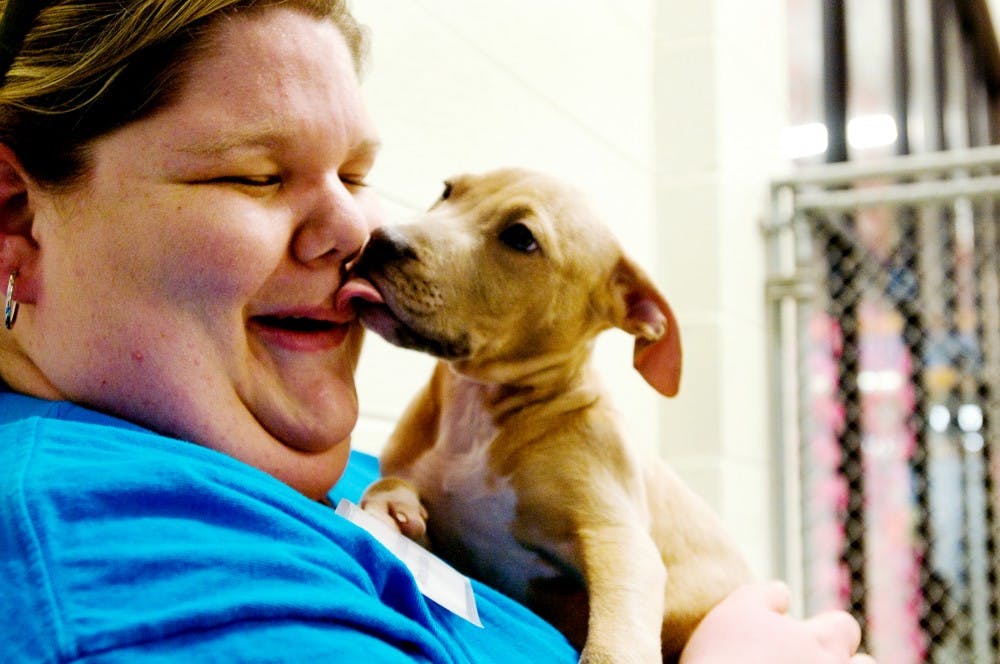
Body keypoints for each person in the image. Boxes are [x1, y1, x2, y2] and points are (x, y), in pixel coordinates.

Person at [0, 1, 875, 662]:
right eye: (256, 176)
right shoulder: (114, 561)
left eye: (355, 172)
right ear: (16, 220)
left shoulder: (309, 466)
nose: (363, 230)